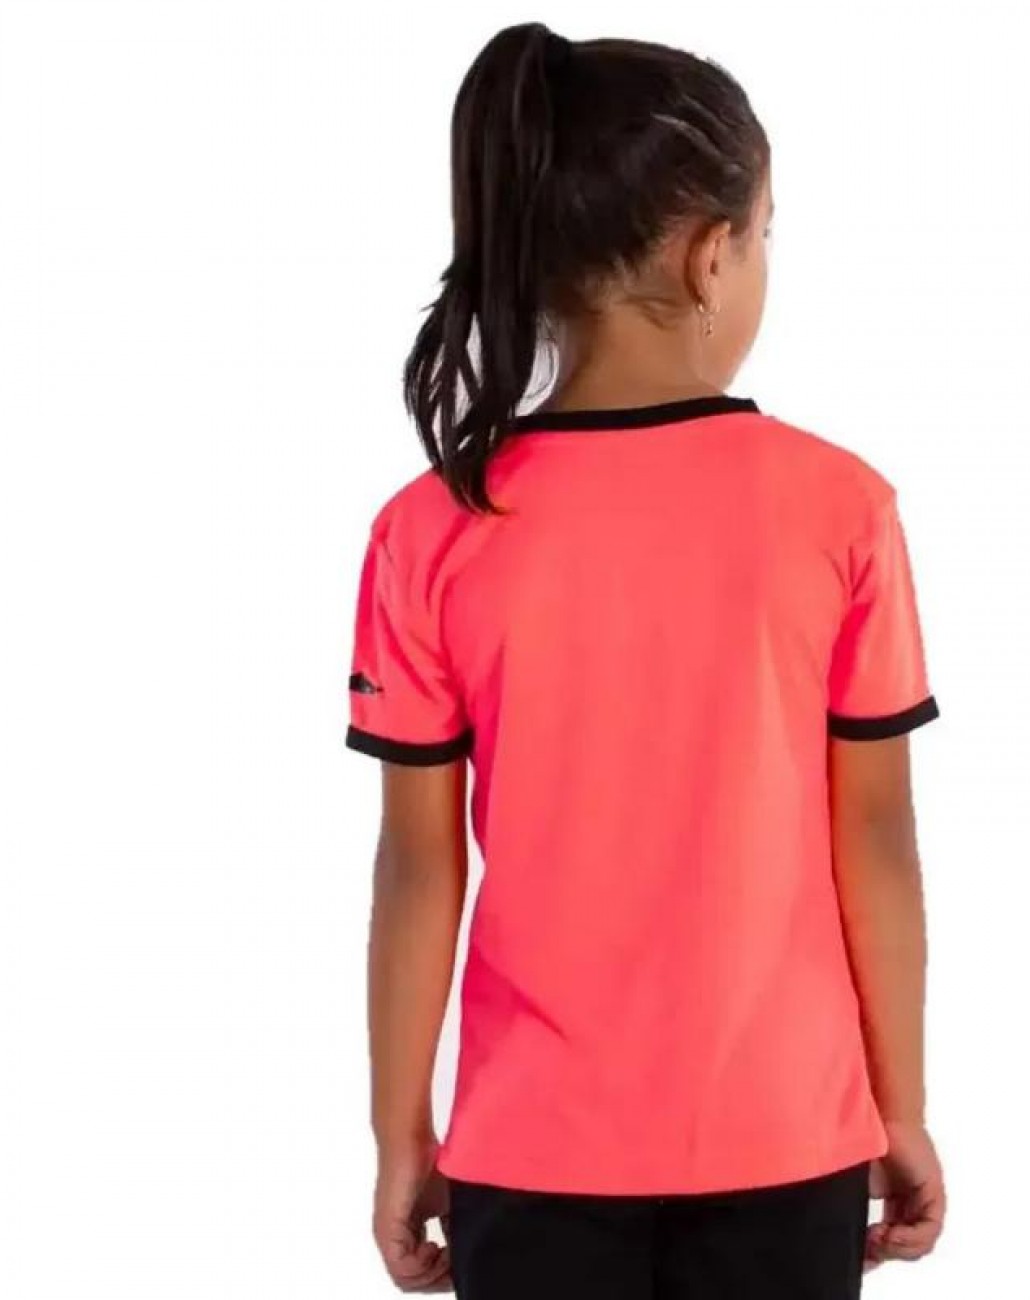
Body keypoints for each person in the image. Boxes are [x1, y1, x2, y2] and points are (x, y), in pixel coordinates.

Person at [345, 20, 946, 1298]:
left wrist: (402, 1133)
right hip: (788, 1136)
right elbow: (875, 839)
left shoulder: (430, 527)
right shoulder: (843, 508)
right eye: (767, 233)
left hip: (528, 1150)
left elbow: (417, 863)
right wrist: (898, 1106)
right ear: (710, 252)